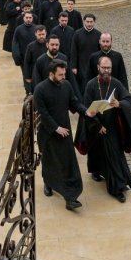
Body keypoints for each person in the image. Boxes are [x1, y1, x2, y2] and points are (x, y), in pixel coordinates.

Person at [76, 56, 131, 202]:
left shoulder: (116, 83)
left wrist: (120, 104)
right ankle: (96, 171)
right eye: (104, 68)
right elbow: (86, 108)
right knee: (96, 152)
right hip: (96, 126)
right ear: (98, 68)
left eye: (108, 68)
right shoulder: (91, 85)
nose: (106, 70)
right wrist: (97, 125)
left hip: (112, 127)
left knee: (114, 156)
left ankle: (116, 188)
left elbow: (129, 100)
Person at [33, 62, 85, 209]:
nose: (63, 77)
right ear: (51, 74)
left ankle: (70, 196)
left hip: (65, 131)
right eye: (60, 74)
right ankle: (48, 183)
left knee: (67, 163)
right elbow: (43, 113)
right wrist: (56, 128)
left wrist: (86, 111)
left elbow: (74, 103)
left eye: (64, 74)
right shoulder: (40, 89)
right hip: (48, 132)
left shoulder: (66, 85)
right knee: (50, 161)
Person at [71, 13, 102, 92]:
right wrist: (74, 66)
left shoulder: (98, 34)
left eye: (91, 22)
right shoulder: (77, 34)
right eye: (87, 22)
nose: (89, 24)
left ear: (94, 22)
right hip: (81, 64)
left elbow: (100, 51)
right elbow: (74, 50)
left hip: (94, 64)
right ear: (84, 21)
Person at [22, 26, 48, 95]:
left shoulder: (50, 45)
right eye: (39, 35)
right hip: (35, 75)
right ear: (35, 34)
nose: (41, 36)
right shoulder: (30, 46)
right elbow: (27, 62)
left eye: (43, 34)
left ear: (46, 34)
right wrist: (27, 76)